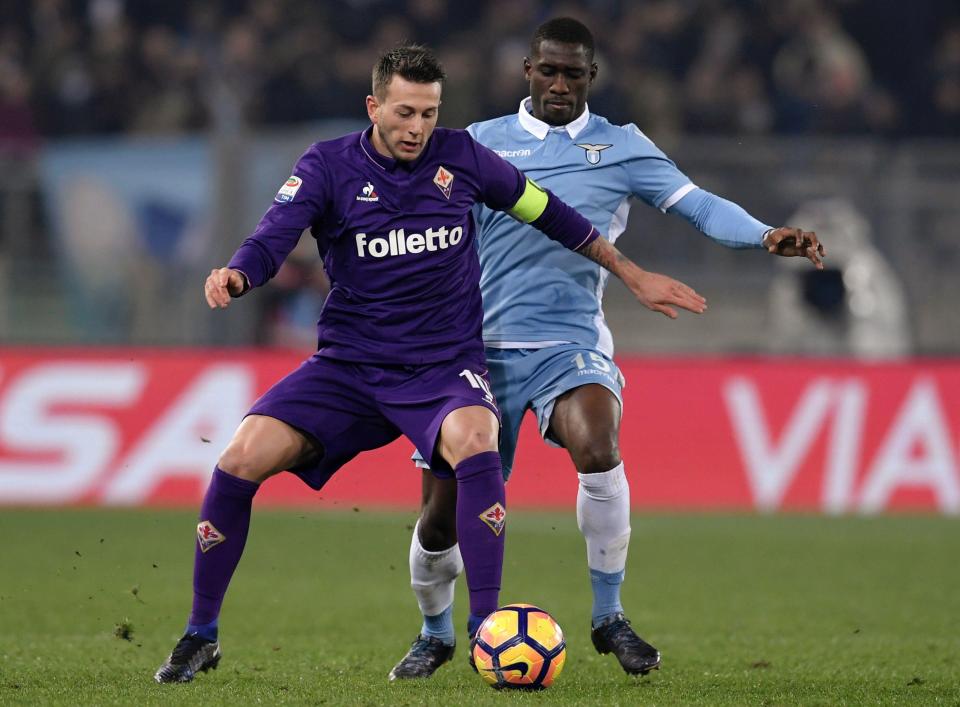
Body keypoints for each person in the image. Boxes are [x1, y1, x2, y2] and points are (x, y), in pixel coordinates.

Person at [154, 43, 707, 684]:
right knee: (239, 458)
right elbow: (274, 236)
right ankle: (201, 634)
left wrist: (631, 273)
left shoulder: (463, 158)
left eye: (430, 113)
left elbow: (552, 215)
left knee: (477, 438)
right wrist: (239, 275)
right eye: (406, 112)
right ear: (374, 106)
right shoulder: (327, 166)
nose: (418, 128)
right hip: (351, 367)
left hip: (444, 365)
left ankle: (486, 632)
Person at [389, 18, 826, 681]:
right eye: (549, 71)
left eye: (574, 73)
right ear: (528, 72)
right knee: (441, 519)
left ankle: (608, 615)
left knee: (599, 443)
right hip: (472, 352)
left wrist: (767, 236)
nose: (560, 84)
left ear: (591, 79)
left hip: (569, 345)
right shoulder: (478, 144)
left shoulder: (621, 147)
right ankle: (434, 631)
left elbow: (699, 206)